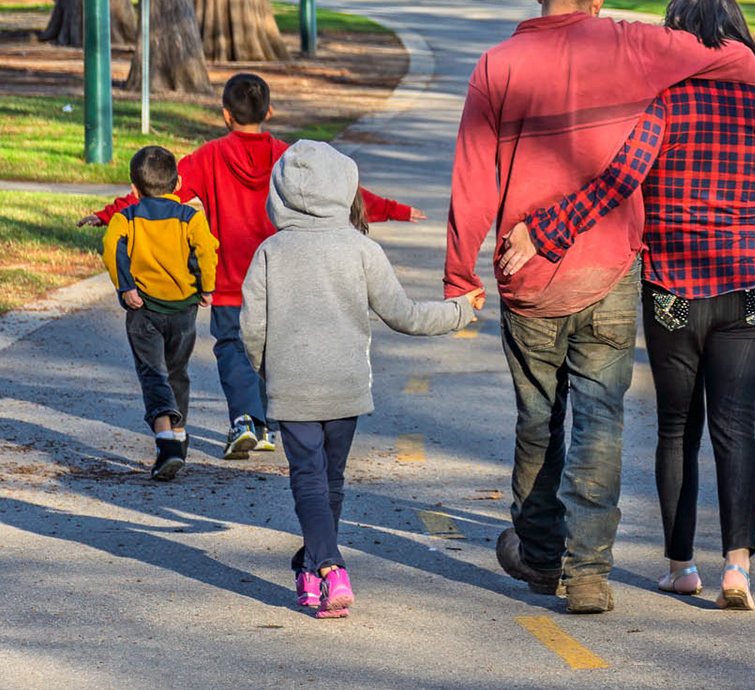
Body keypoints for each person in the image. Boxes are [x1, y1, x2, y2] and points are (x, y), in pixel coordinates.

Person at [444, 0, 755, 616]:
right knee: (602, 421)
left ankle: (540, 556)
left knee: (540, 419)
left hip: (527, 272)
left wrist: (458, 275)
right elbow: (735, 56)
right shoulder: (631, 44)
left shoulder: (496, 65)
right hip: (612, 270)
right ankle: (589, 571)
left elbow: (473, 180)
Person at [85, 73, 421, 461]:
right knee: (274, 346)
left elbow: (156, 195)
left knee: (233, 348)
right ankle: (266, 419)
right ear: (270, 111)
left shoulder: (209, 157)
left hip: (229, 280)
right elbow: (343, 193)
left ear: (226, 115)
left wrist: (108, 214)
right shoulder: (288, 157)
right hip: (284, 274)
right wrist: (394, 210)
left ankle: (247, 420)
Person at [243, 141, 480, 618]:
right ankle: (321, 570)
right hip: (345, 385)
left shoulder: (270, 251)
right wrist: (459, 311)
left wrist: (267, 370)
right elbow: (405, 315)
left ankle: (319, 566)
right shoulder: (361, 249)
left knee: (308, 479)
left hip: (292, 387)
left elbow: (251, 327)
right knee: (330, 481)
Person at [103, 145, 218, 481]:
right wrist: (206, 287)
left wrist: (126, 287)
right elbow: (207, 251)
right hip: (183, 309)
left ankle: (166, 442)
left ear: (134, 188)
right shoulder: (191, 217)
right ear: (178, 182)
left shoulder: (126, 217)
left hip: (143, 309)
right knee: (177, 370)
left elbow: (112, 249)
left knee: (153, 373)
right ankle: (178, 436)